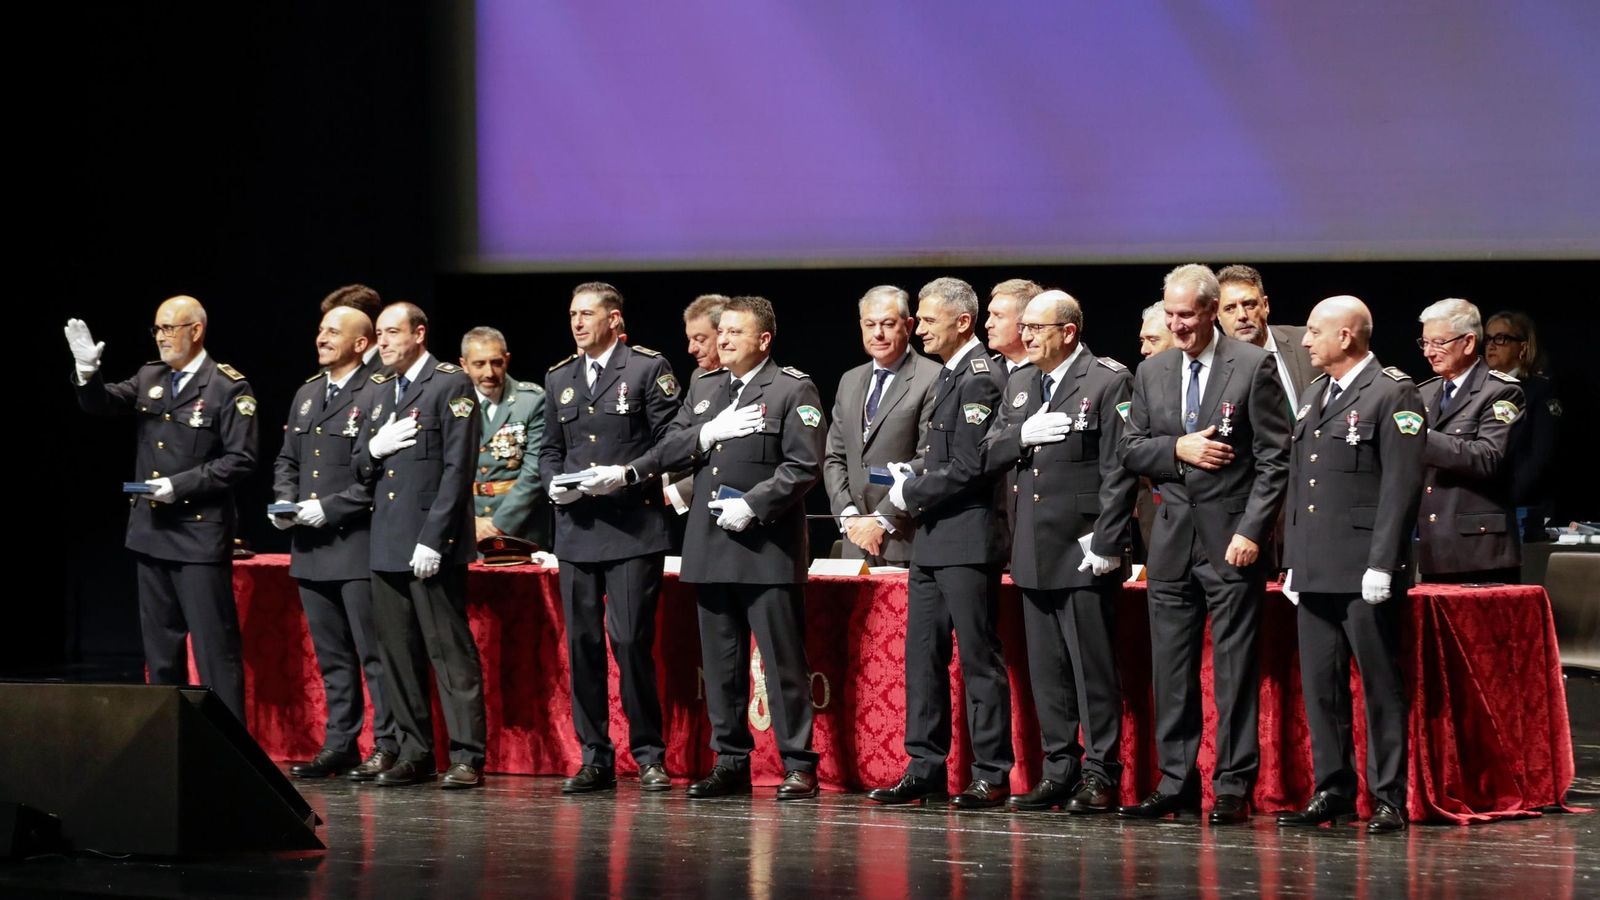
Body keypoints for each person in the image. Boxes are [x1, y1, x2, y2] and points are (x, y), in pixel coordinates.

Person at [625, 296, 825, 801]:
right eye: (723, 331)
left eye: (736, 332)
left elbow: (803, 467)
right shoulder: (705, 386)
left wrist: (756, 505)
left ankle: (799, 763)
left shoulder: (790, 388)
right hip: (711, 545)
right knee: (721, 664)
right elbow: (676, 446)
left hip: (766, 548)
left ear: (763, 340)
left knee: (782, 665)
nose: (724, 339)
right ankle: (730, 760)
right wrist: (696, 438)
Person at [1118, 264, 1290, 824]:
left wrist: (1252, 529)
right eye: (1169, 315)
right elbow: (1131, 449)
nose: (1176, 325)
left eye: (1186, 315)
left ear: (1212, 311)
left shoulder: (1253, 365)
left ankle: (1234, 783)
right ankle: (1176, 780)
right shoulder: (1154, 370)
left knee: (1235, 669)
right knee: (1171, 667)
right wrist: (1178, 449)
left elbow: (1275, 459)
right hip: (1169, 541)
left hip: (1231, 540)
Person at [980, 290, 1136, 813]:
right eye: (1022, 326)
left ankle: (1101, 773)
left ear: (1068, 331)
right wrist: (1020, 434)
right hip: (1032, 546)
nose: (1024, 336)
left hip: (1084, 545)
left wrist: (1110, 538)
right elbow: (991, 451)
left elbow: (1120, 467)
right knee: (1048, 670)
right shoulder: (1022, 381)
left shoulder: (1108, 379)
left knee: (1091, 669)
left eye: (1035, 328)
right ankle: (1059, 768)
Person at [67, 297, 256, 721]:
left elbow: (241, 459)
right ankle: (169, 741)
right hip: (152, 532)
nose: (162, 337)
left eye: (170, 328)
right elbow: (102, 403)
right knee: (161, 651)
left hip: (200, 534)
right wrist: (87, 372)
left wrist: (180, 485)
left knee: (214, 651)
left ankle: (230, 751)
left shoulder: (228, 387)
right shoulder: (151, 375)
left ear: (196, 330)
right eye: (157, 329)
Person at [1277, 296, 1421, 836]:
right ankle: (1332, 789)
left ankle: (1388, 797)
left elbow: (1399, 486)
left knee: (1380, 685)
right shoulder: (1316, 394)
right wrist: (1293, 560)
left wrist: (1384, 562)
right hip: (1315, 568)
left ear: (1346, 337)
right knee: (1322, 687)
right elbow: (1301, 483)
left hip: (1365, 569)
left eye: (1315, 331)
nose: (1305, 341)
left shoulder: (1391, 391)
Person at [870, 277, 1013, 809]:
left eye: (928, 320)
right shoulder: (951, 375)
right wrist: (913, 473)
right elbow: (943, 456)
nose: (918, 328)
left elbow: (974, 465)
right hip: (933, 537)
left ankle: (992, 772)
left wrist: (912, 490)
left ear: (962, 322)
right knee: (922, 656)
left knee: (978, 658)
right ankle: (924, 766)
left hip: (969, 537)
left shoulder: (981, 377)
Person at [536, 283, 679, 793]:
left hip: (632, 529)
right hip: (577, 531)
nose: (577, 323)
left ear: (614, 319)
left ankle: (648, 754)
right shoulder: (560, 377)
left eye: (587, 314)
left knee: (630, 641)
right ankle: (594, 755)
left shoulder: (646, 368)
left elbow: (673, 442)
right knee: (583, 644)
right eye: (572, 314)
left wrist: (628, 474)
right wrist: (554, 483)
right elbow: (550, 447)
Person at [351, 301, 487, 789]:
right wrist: (372, 449)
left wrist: (436, 537)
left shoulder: (449, 383)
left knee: (449, 654)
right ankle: (414, 751)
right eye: (379, 334)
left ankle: (467, 755)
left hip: (432, 545)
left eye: (391, 333)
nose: (382, 342)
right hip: (386, 539)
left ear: (419, 334)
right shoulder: (380, 390)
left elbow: (457, 468)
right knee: (398, 656)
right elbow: (359, 468)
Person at [272, 304, 399, 780]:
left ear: (361, 343)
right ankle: (340, 743)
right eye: (320, 329)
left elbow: (377, 474)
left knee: (374, 654)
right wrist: (286, 503)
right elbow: (287, 460)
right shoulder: (307, 393)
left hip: (357, 544)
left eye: (332, 332)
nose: (321, 338)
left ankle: (386, 744)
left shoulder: (379, 392)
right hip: (310, 547)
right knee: (332, 658)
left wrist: (329, 508)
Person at [823, 286, 941, 566]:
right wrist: (849, 517)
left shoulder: (933, 378)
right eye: (870, 324)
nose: (878, 333)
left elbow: (929, 460)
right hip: (855, 541)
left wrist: (881, 519)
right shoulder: (849, 380)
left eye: (888, 324)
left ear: (908, 326)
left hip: (905, 540)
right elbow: (835, 458)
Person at [1415, 298, 1524, 583]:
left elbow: (1487, 458)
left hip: (1481, 552)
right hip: (1431, 547)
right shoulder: (1422, 395)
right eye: (1424, 343)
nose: (1429, 352)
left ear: (1468, 342)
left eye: (1438, 343)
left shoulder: (1500, 392)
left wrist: (1419, 437)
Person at [461, 327, 551, 552]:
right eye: (479, 364)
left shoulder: (531, 401)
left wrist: (499, 525)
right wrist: (468, 521)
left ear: (507, 360)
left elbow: (535, 471)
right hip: (467, 530)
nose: (489, 372)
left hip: (520, 529)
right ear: (464, 365)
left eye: (496, 362)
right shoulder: (452, 405)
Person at [1484, 310, 1560, 542]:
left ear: (1524, 347)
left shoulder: (1539, 390)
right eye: (1487, 338)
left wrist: (1504, 499)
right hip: (1482, 510)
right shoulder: (1479, 390)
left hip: (1524, 510)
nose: (1491, 345)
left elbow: (1540, 455)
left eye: (1501, 338)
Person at [1216, 265, 1317, 416]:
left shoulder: (1308, 342)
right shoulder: (1213, 368)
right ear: (1217, 316)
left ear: (1266, 305)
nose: (1242, 315)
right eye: (1230, 308)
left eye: (1249, 304)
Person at [1133, 302, 1175, 563]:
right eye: (1142, 339)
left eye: (1153, 340)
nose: (1144, 349)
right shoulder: (1143, 382)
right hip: (1154, 511)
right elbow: (1131, 448)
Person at [985, 279, 1044, 375]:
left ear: (1026, 322)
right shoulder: (986, 374)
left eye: (998, 316)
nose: (988, 324)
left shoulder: (1048, 373)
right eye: (989, 315)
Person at [321, 284, 385, 368]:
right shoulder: (330, 370)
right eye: (322, 330)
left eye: (333, 332)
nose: (321, 339)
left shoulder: (394, 370)